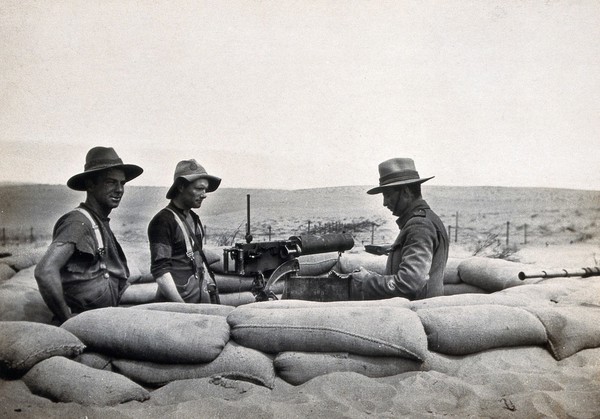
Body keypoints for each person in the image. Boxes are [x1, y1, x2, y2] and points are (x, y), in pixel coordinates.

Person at [34, 146, 143, 322]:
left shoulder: (97, 221)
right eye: (110, 182)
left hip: (104, 317)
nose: (119, 189)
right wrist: (67, 319)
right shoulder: (79, 223)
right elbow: (45, 271)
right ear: (90, 184)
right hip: (86, 322)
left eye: (122, 183)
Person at [351, 158, 449, 300]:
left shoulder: (419, 226)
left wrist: (366, 280)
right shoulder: (426, 220)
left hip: (417, 312)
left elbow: (408, 284)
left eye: (388, 195)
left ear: (405, 192)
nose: (385, 203)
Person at [147, 159, 221, 303]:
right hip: (175, 306)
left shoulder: (194, 218)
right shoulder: (163, 222)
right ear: (181, 187)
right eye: (199, 189)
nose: (204, 194)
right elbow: (161, 272)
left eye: (205, 189)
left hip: (198, 300)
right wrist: (181, 306)